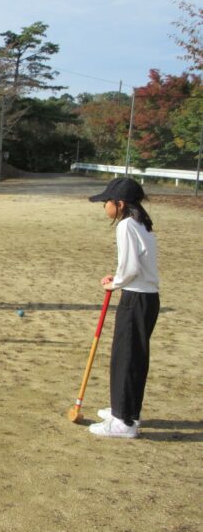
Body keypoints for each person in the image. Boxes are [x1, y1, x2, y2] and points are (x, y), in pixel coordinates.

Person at [87, 177, 159, 439]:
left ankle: (124, 422)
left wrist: (115, 282)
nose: (104, 206)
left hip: (136, 298)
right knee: (132, 357)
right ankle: (124, 409)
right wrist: (117, 278)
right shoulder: (142, 222)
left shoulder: (127, 225)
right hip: (146, 297)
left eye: (107, 201)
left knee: (127, 357)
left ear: (120, 203)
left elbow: (130, 269)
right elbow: (134, 265)